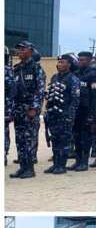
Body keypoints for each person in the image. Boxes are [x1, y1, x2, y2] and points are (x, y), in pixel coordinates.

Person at [9, 41, 46, 179]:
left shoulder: (36, 68)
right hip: (18, 109)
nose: (20, 52)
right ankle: (22, 167)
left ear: (30, 51)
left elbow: (40, 90)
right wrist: (11, 109)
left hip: (30, 110)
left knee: (29, 139)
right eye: (18, 49)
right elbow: (13, 91)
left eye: (23, 49)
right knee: (19, 140)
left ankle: (30, 169)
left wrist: (35, 108)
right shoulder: (16, 69)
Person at [43, 53, 81, 176]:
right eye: (59, 62)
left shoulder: (73, 79)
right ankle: (55, 163)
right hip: (53, 114)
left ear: (69, 65)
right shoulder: (54, 77)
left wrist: (70, 115)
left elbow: (75, 99)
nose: (60, 64)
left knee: (64, 141)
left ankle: (61, 165)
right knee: (55, 139)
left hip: (65, 114)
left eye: (63, 62)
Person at [70, 51, 96, 171]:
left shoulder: (93, 74)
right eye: (79, 59)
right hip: (77, 110)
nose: (80, 62)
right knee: (76, 137)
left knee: (86, 137)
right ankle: (77, 161)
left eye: (83, 60)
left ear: (89, 61)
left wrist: (92, 115)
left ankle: (84, 162)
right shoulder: (76, 74)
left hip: (87, 111)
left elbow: (95, 96)